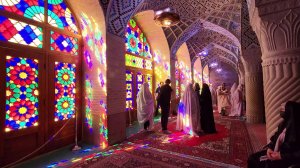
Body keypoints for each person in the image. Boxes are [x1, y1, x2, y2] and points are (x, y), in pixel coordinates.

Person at [247, 101, 300, 168]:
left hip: (287, 158)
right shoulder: (283, 125)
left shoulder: (297, 129)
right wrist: (270, 148)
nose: (280, 110)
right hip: (275, 152)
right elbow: (274, 138)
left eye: (283, 108)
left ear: (291, 111)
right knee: (252, 158)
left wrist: (281, 156)